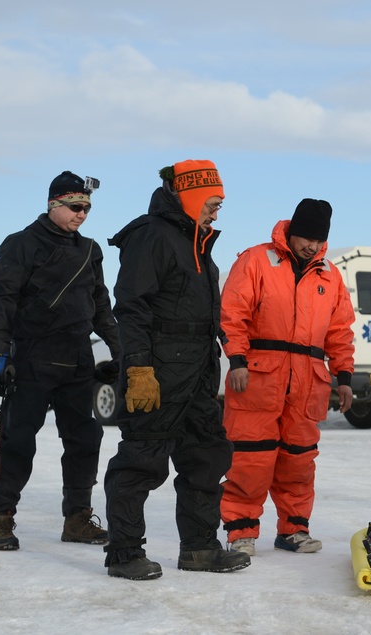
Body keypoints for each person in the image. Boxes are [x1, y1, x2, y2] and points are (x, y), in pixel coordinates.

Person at [102, 160, 250, 580]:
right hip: (160, 372)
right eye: (213, 203)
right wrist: (138, 369)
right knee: (141, 461)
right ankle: (125, 553)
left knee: (205, 456)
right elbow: (131, 308)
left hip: (198, 372)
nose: (217, 212)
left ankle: (199, 548)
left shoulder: (198, 244)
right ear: (190, 195)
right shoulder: (151, 236)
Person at [0, 171, 121, 551]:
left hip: (77, 359)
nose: (82, 215)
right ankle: (1, 518)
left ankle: (77, 519)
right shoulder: (22, 244)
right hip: (30, 358)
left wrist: (124, 350)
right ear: (53, 204)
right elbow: (1, 300)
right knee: (18, 441)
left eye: (87, 208)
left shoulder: (90, 251)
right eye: (76, 207)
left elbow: (101, 308)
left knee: (85, 439)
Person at [220, 199, 356, 557]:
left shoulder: (330, 275)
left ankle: (294, 529)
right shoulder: (255, 260)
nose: (311, 245)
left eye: (318, 239)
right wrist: (236, 360)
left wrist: (344, 376)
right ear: (292, 231)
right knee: (251, 458)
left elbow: (340, 331)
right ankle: (240, 531)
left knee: (299, 459)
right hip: (257, 378)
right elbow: (233, 313)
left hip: (308, 383)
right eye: (305, 237)